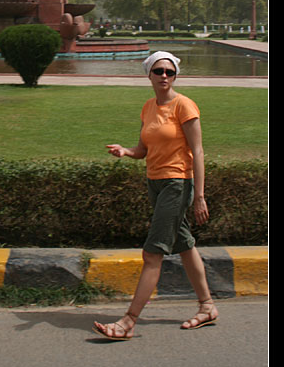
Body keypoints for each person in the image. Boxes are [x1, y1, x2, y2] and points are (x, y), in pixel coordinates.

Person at [92, 50, 218, 341]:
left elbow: (198, 151)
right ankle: (207, 306)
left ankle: (128, 321)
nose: (164, 76)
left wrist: (199, 196)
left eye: (169, 72)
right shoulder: (149, 107)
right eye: (158, 71)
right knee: (184, 244)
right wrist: (125, 151)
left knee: (152, 253)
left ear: (175, 76)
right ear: (148, 74)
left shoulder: (184, 105)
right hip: (155, 183)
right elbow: (143, 150)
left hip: (177, 183)